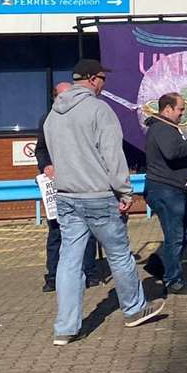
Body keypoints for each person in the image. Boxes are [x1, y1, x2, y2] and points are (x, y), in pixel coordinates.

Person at [43, 59, 164, 345]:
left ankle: (65, 327)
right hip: (98, 195)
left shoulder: (52, 116)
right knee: (120, 255)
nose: (104, 84)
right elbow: (112, 155)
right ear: (92, 79)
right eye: (102, 78)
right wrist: (125, 191)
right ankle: (134, 309)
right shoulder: (99, 110)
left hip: (67, 196)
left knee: (69, 261)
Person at [35, 81, 97, 292]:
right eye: (62, 96)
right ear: (54, 98)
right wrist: (46, 166)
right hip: (57, 186)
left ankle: (88, 272)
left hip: (82, 181)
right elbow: (41, 149)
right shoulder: (47, 119)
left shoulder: (82, 116)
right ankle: (53, 276)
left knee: (86, 228)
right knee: (56, 232)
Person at [143, 92, 187, 296]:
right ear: (167, 109)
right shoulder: (163, 128)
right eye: (180, 109)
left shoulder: (166, 128)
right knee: (175, 235)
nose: (182, 114)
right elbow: (173, 152)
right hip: (166, 190)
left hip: (175, 190)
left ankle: (161, 264)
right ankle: (173, 279)